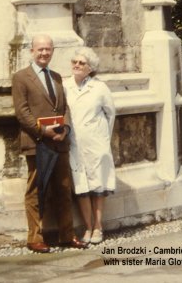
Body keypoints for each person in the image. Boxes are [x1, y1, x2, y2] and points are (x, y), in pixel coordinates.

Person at [12, 34, 87, 253]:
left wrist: (66, 129)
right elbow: (22, 112)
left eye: (48, 49)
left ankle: (67, 235)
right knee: (36, 190)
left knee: (63, 189)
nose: (44, 53)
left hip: (59, 142)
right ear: (32, 51)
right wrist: (43, 131)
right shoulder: (21, 77)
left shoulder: (56, 77)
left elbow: (63, 108)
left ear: (52, 51)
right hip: (38, 143)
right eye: (40, 49)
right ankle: (34, 238)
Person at [64, 46, 116, 244]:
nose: (77, 65)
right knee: (81, 186)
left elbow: (110, 114)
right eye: (74, 62)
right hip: (74, 144)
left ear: (90, 67)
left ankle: (98, 227)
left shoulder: (100, 88)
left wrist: (103, 138)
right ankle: (87, 226)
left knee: (98, 184)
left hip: (96, 143)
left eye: (82, 63)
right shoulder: (64, 86)